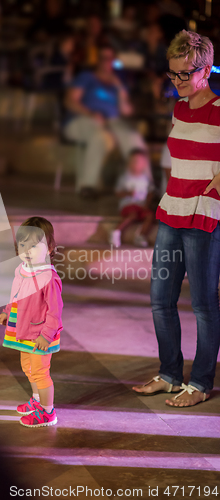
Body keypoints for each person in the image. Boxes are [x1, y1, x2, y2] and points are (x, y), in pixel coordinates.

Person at [133, 30, 220, 407]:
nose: (177, 82)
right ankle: (170, 375)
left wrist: (208, 197)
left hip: (204, 218)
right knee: (160, 300)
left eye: (185, 74)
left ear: (206, 70)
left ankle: (200, 383)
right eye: (172, 74)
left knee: (203, 304)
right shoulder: (179, 108)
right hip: (172, 212)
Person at [0, 217, 63, 428]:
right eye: (23, 245)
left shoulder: (49, 278)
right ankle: (37, 400)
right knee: (27, 367)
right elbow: (16, 294)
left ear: (50, 248)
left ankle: (48, 411)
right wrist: (7, 311)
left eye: (34, 245)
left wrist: (46, 335)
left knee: (41, 371)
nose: (27, 250)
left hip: (40, 334)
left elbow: (55, 311)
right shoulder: (22, 269)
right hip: (22, 329)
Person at [63, 43, 147, 198]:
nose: (105, 61)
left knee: (133, 138)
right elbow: (70, 101)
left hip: (112, 122)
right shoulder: (87, 77)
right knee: (100, 137)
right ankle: (88, 186)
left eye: (109, 58)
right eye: (102, 58)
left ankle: (146, 187)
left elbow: (126, 111)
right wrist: (90, 113)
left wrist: (120, 89)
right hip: (83, 119)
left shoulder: (117, 83)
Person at [110, 149, 154, 248]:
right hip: (128, 205)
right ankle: (116, 232)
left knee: (150, 216)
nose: (136, 164)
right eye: (133, 161)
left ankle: (140, 236)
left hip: (141, 206)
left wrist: (147, 204)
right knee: (132, 215)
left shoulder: (145, 178)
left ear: (144, 164)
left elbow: (150, 192)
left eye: (139, 162)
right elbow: (117, 193)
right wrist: (127, 193)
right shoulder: (125, 178)